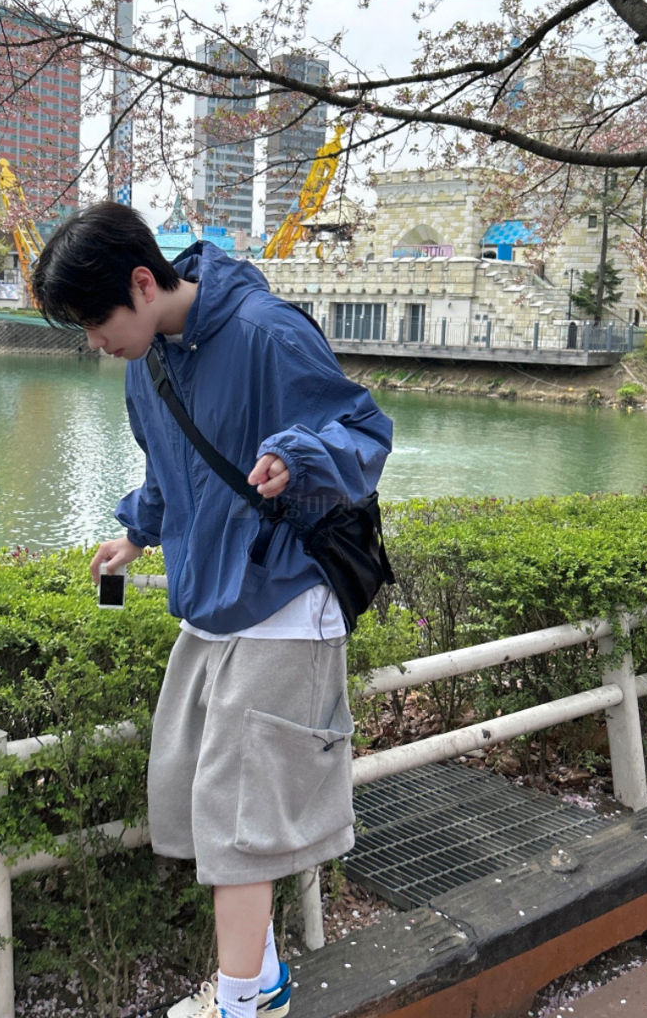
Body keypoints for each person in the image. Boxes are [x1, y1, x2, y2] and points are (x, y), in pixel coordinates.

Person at [32, 203, 392, 1018]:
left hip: (285, 598)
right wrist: (136, 535)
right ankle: (263, 984)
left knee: (236, 829)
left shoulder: (267, 332)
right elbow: (169, 471)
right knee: (201, 801)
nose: (94, 341)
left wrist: (301, 456)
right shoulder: (146, 362)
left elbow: (365, 433)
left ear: (142, 281)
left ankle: (239, 1007)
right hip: (210, 602)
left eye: (95, 321)